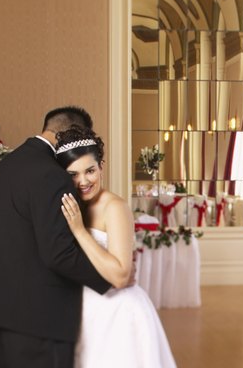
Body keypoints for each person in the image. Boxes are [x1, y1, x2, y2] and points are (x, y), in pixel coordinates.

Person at [0, 106, 113, 367]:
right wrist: (111, 279)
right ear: (70, 135)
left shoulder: (3, 168)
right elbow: (58, 254)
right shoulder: (53, 176)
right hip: (38, 317)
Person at [56, 126, 176, 368]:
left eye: (90, 170)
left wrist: (79, 230)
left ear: (101, 166)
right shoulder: (68, 204)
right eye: (73, 174)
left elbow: (121, 276)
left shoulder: (115, 207)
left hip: (118, 314)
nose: (83, 181)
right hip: (82, 313)